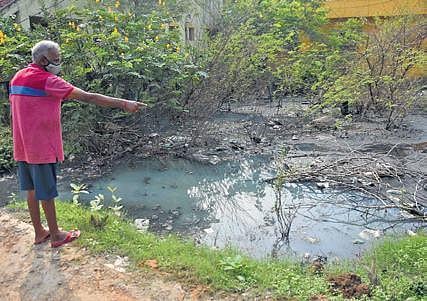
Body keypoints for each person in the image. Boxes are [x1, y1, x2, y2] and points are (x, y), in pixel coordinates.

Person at [9, 40, 146, 248]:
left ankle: (39, 232)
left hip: (22, 145)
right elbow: (88, 97)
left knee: (31, 189)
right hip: (41, 146)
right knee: (46, 191)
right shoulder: (48, 81)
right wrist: (123, 104)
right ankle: (55, 235)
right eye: (56, 59)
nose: (59, 63)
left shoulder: (17, 77)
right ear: (43, 60)